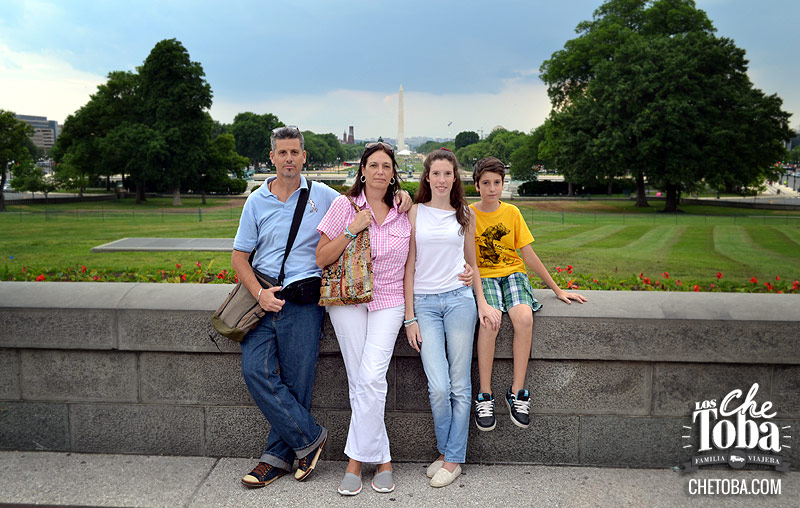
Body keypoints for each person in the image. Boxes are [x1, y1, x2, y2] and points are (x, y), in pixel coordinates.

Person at [232, 127, 411, 489]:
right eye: (282, 153)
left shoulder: (325, 196)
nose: (289, 159)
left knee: (305, 384)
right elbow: (239, 256)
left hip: (306, 298)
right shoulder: (257, 201)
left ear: (304, 157)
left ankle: (280, 459)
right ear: (272, 157)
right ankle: (309, 439)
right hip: (265, 295)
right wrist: (259, 293)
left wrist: (402, 195)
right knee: (255, 371)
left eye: (294, 152)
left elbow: (373, 198)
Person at [315, 142, 410, 495]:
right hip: (348, 301)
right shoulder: (344, 205)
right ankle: (382, 460)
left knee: (370, 377)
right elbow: (320, 258)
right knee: (361, 381)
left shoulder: (403, 210)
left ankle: (355, 462)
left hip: (389, 300)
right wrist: (352, 229)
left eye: (387, 166)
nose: (380, 172)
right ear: (363, 170)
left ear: (393, 172)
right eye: (374, 165)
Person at [403, 149, 501, 488]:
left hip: (460, 302)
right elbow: (409, 267)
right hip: (425, 305)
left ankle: (453, 458)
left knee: (459, 384)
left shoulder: (465, 214)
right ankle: (449, 454)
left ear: (454, 178)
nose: (442, 180)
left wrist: (482, 302)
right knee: (438, 386)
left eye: (448, 174)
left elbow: (472, 264)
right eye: (436, 174)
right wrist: (409, 318)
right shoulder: (414, 213)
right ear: (427, 177)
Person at [469, 157, 587, 432]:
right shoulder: (469, 214)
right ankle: (485, 394)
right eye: (486, 183)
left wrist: (556, 289)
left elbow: (528, 254)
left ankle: (517, 391)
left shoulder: (511, 213)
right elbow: (465, 256)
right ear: (477, 185)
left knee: (523, 318)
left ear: (502, 184)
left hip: (513, 274)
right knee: (489, 321)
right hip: (484, 275)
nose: (492, 188)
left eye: (496, 183)